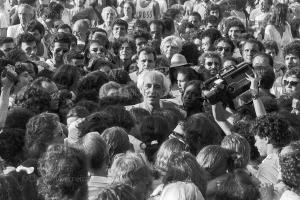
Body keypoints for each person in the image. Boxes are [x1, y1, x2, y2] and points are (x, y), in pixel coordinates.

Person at [251, 113, 293, 184]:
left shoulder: (265, 168)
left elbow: (275, 194)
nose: (255, 144)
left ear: (266, 139)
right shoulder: (294, 154)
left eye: (256, 140)